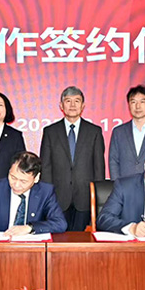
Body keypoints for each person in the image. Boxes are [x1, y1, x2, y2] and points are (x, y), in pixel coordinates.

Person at [40, 86, 105, 231]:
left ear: (83, 105)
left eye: (77, 101)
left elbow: (99, 167)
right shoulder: (50, 132)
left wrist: (96, 197)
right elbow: (46, 167)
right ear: (61, 105)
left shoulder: (94, 131)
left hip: (85, 197)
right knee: (59, 238)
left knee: (81, 239)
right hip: (58, 197)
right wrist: (47, 197)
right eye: (68, 101)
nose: (72, 105)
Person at [0, 151, 67, 236]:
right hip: (1, 245)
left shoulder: (45, 191)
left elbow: (60, 223)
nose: (16, 185)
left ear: (36, 178)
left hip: (31, 248)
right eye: (13, 177)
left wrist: (29, 228)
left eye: (23, 181)